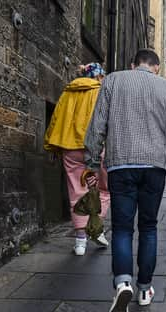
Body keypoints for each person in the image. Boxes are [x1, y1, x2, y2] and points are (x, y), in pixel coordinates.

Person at [83, 49, 166, 312]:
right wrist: (164, 146)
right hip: (154, 167)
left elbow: (97, 126)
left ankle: (123, 283)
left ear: (132, 64)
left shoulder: (113, 81)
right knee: (149, 227)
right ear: (156, 67)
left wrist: (92, 161)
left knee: (123, 228)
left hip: (120, 165)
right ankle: (144, 289)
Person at [44, 63, 110, 256]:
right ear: (99, 76)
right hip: (97, 147)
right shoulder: (102, 92)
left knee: (77, 192)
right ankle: (96, 228)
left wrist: (51, 145)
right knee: (104, 189)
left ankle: (80, 241)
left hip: (70, 146)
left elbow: (56, 119)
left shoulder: (69, 91)